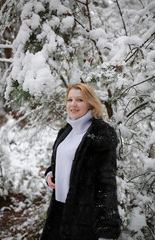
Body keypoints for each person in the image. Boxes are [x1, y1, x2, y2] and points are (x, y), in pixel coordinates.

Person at [40, 83, 121, 240]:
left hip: (84, 217)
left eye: (79, 100)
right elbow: (62, 161)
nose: (73, 104)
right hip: (58, 211)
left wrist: (106, 231)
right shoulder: (65, 131)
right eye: (69, 100)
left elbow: (106, 183)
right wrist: (50, 173)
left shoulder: (101, 134)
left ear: (90, 103)